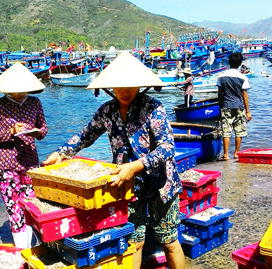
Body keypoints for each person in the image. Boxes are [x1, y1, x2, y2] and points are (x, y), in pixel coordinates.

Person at [43, 51, 185, 269]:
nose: (125, 92)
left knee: (169, 241)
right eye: (119, 86)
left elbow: (167, 148)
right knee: (134, 242)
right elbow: (85, 136)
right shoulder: (107, 111)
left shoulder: (153, 108)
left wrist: (136, 166)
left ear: (140, 85)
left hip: (161, 184)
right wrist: (61, 153)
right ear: (111, 86)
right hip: (127, 186)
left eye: (130, 86)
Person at [0, 63, 48, 249]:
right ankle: (23, 249)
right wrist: (12, 131)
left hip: (30, 162)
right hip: (6, 164)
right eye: (16, 91)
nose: (21, 94)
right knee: (14, 207)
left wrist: (37, 133)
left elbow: (43, 128)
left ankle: (35, 246)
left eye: (23, 90)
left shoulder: (35, 103)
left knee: (32, 204)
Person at [217, 52, 251, 161]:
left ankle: (226, 154)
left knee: (226, 131)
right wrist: (248, 111)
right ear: (240, 63)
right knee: (239, 130)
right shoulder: (243, 77)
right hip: (239, 106)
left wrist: (219, 107)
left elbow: (219, 94)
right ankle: (236, 153)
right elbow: (244, 95)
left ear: (229, 62)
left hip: (226, 105)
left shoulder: (221, 76)